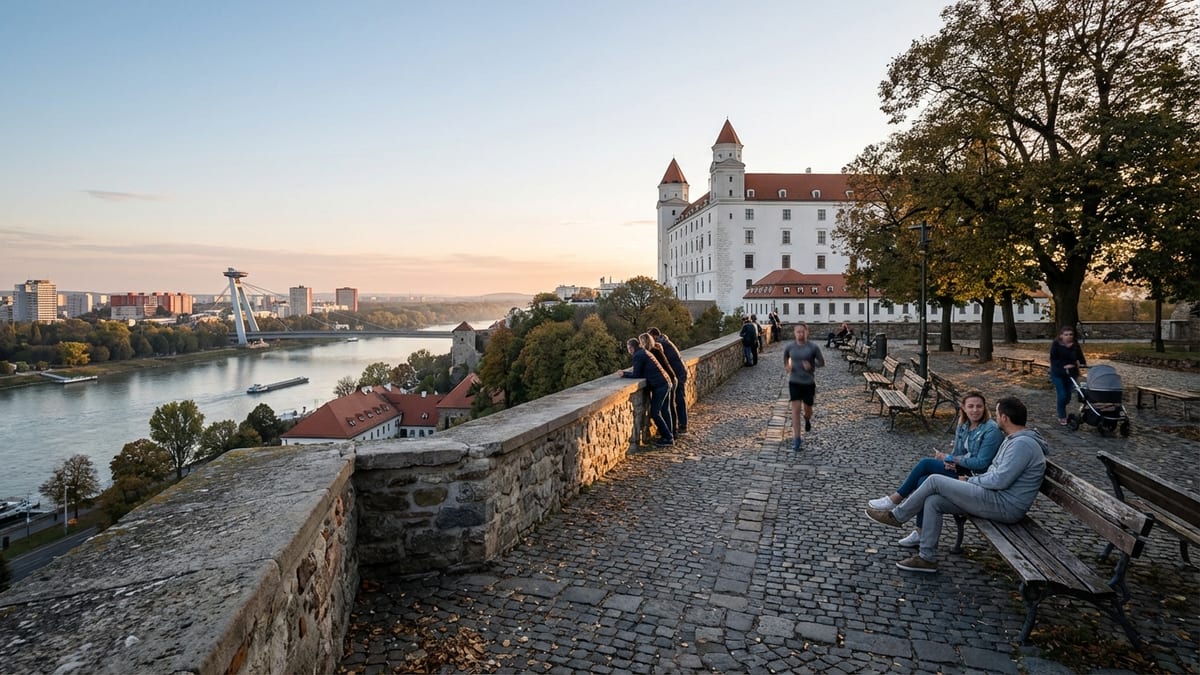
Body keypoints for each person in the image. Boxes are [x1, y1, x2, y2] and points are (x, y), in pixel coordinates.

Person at [864, 397, 1049, 573]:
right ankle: (927, 558)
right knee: (934, 500)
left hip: (1006, 505)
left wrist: (969, 480)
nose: (995, 416)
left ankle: (897, 516)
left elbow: (999, 480)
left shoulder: (1022, 444)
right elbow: (994, 472)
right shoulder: (1013, 440)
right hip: (994, 497)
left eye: (997, 412)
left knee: (934, 480)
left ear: (1004, 417)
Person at [866, 391, 1003, 546]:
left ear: (985, 408)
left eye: (979, 406)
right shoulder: (964, 425)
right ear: (963, 408)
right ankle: (919, 531)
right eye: (970, 406)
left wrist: (952, 459)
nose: (975, 410)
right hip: (961, 471)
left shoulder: (990, 430)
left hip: (975, 479)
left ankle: (895, 500)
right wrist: (950, 462)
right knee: (924, 480)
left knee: (926, 464)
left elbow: (981, 463)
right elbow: (957, 453)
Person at [618, 337, 674, 447]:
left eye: (628, 348)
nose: (628, 351)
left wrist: (624, 374)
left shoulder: (638, 356)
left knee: (655, 412)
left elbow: (636, 375)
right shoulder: (644, 352)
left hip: (660, 385)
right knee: (664, 410)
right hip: (665, 381)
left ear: (631, 348)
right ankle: (669, 435)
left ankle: (668, 437)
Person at [783, 323, 824, 451]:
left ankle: (807, 419)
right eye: (797, 332)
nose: (800, 334)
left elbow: (822, 363)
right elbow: (786, 357)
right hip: (794, 382)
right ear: (794, 333)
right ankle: (797, 439)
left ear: (807, 332)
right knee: (795, 411)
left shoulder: (813, 347)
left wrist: (811, 366)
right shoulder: (790, 347)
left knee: (808, 409)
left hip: (808, 383)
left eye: (802, 332)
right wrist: (787, 366)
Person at [649, 327, 688, 435]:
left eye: (651, 338)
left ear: (654, 336)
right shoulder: (665, 342)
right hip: (680, 372)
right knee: (678, 400)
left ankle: (681, 426)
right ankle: (679, 425)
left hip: (678, 374)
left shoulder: (662, 345)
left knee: (678, 400)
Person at [1049, 326, 1086, 425]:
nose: (1069, 336)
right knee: (1062, 394)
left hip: (1072, 373)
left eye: (1071, 334)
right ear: (1061, 335)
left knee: (1068, 396)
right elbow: (1053, 359)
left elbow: (1080, 356)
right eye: (1066, 334)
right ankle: (1062, 415)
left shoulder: (1075, 345)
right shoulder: (1056, 344)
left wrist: (1082, 363)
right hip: (1058, 373)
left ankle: (1061, 405)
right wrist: (1063, 366)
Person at [642, 333, 677, 435]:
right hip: (670, 379)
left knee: (664, 409)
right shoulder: (656, 350)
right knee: (666, 409)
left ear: (645, 342)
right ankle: (671, 433)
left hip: (666, 381)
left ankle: (669, 434)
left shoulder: (653, 352)